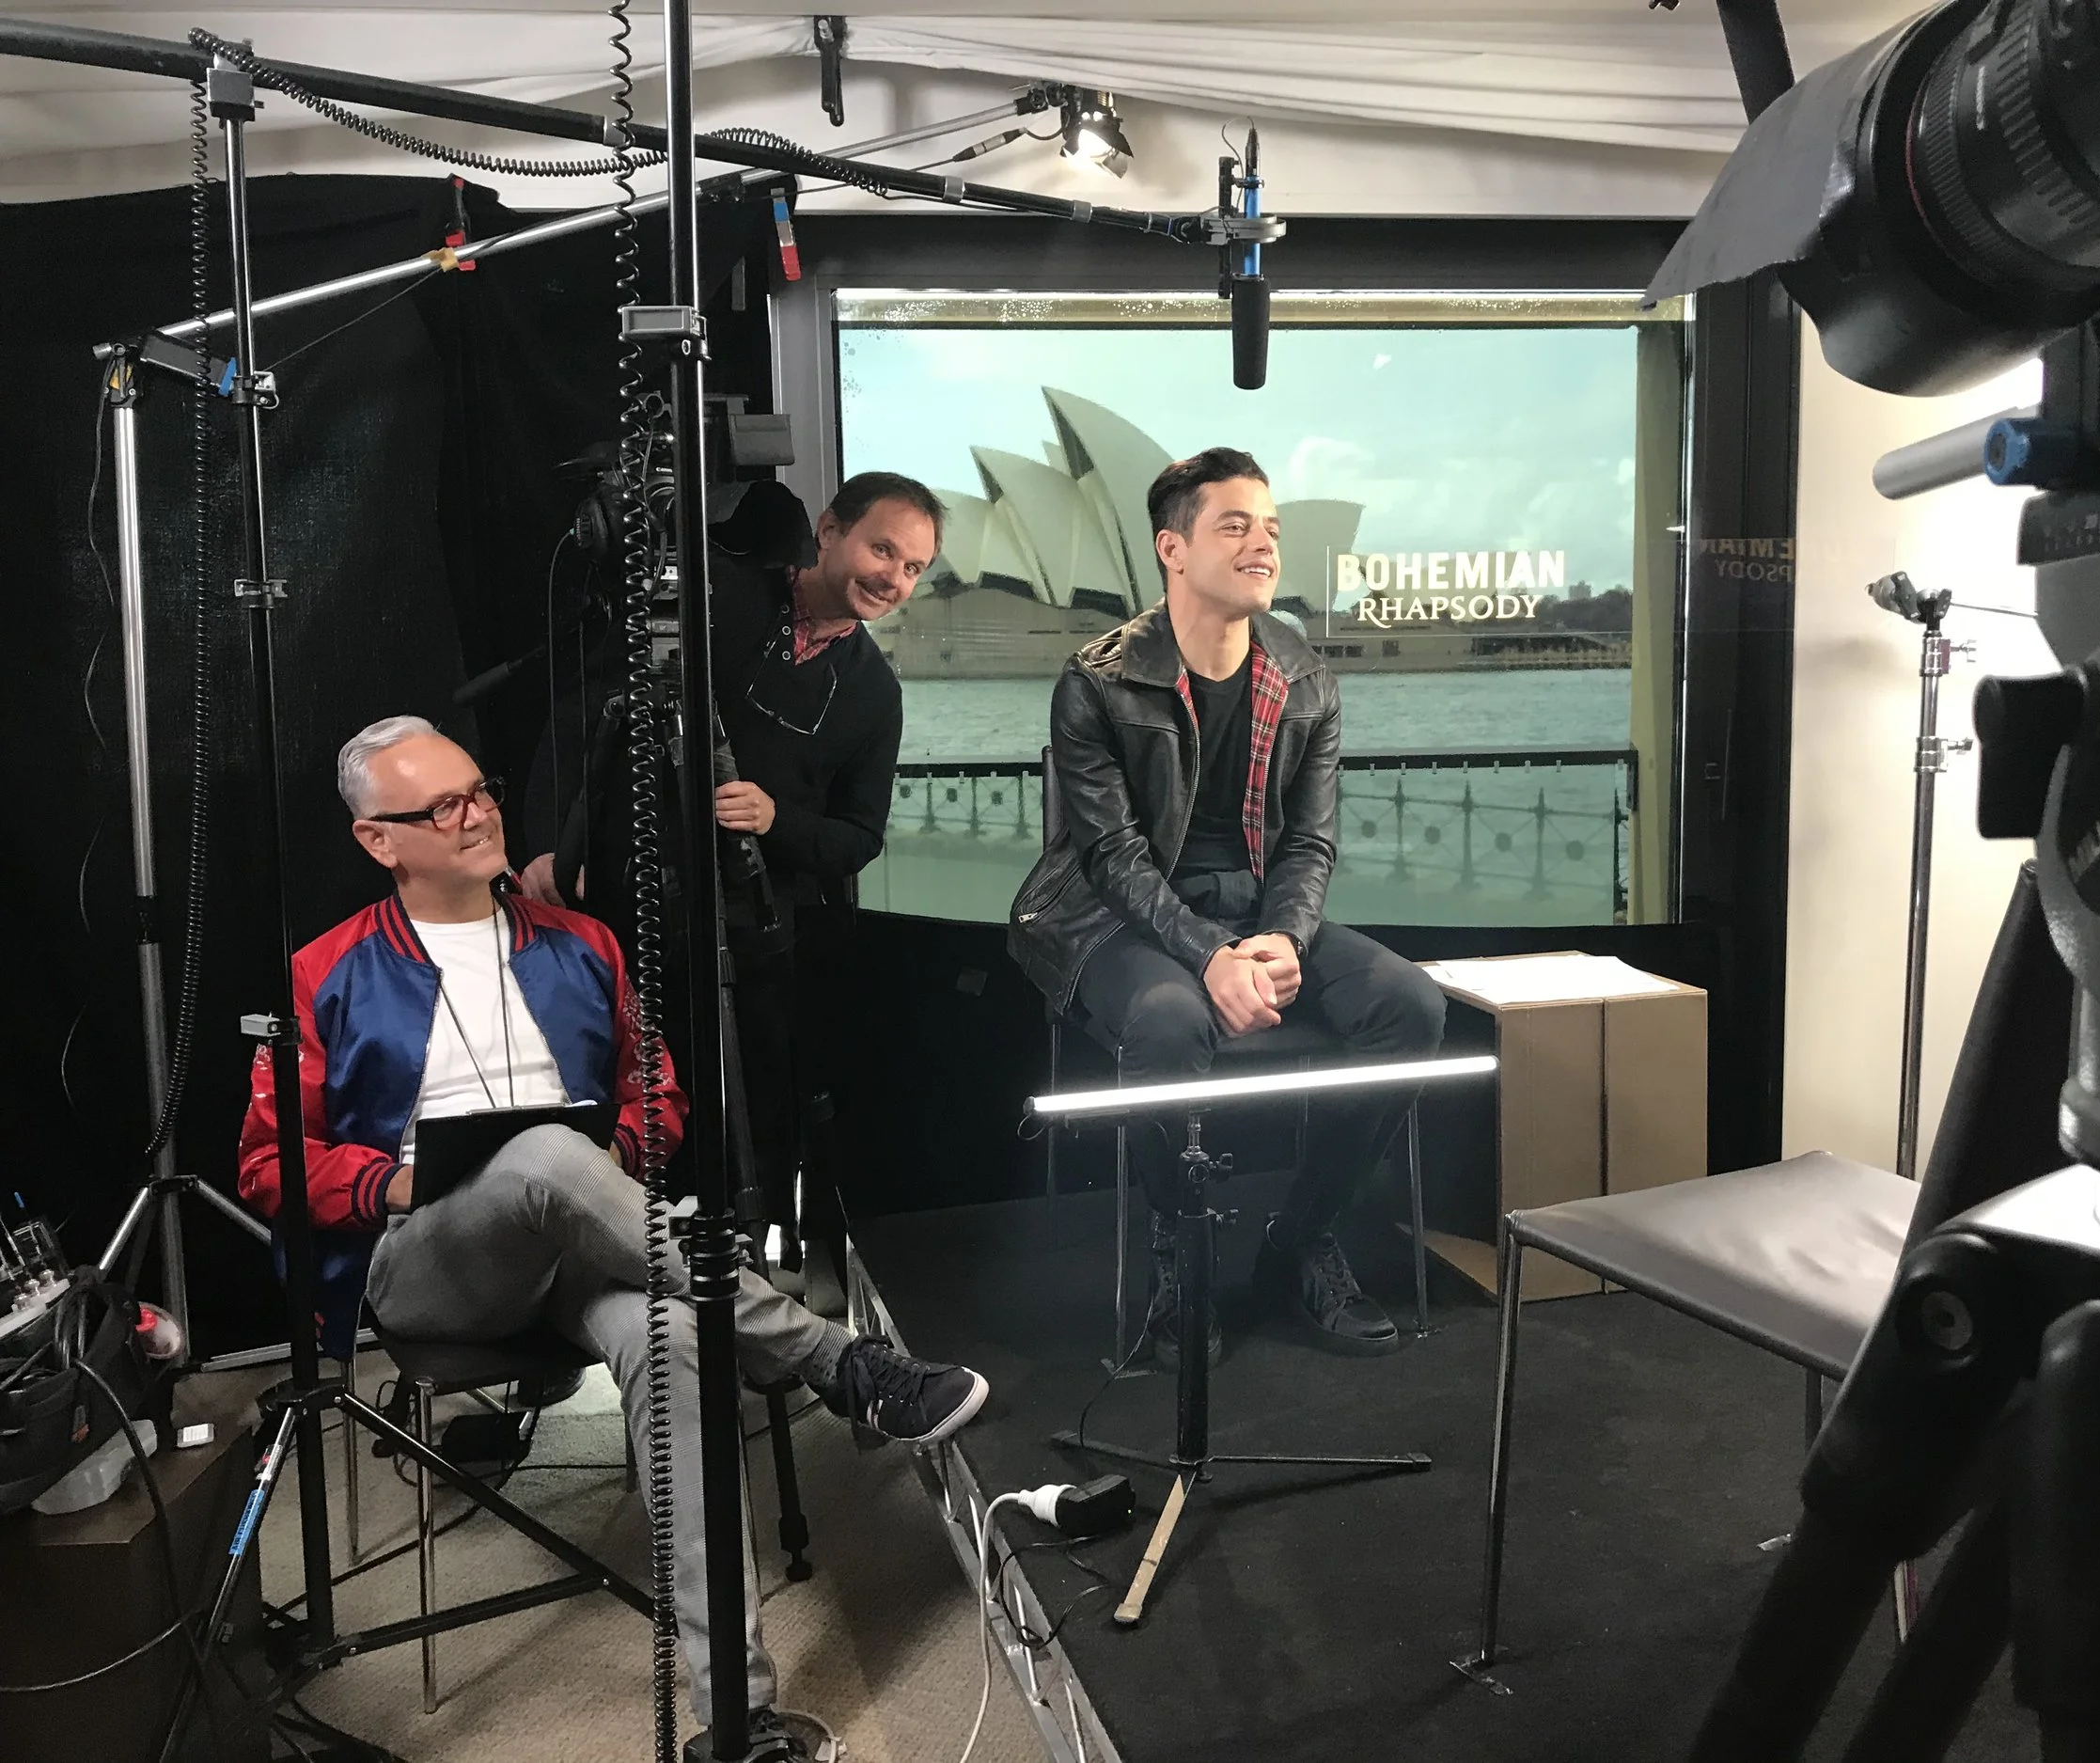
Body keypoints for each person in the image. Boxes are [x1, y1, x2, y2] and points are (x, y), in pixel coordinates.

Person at [241, 715, 985, 1747]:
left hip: (589, 1238)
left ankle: (739, 1717)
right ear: (380, 840)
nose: (478, 815)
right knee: (544, 1155)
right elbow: (269, 1162)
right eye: (443, 807)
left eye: (481, 790)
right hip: (432, 1260)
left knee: (674, 1337)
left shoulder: (582, 945)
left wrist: (622, 1155)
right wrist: (399, 1183)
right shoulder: (324, 972)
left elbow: (659, 1096)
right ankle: (827, 1356)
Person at [1008, 449, 1447, 1369]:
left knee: (1409, 1006)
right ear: (1173, 547)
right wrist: (1212, 956)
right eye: (1235, 526)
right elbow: (1112, 854)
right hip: (1109, 915)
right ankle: (1182, 1257)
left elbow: (1308, 845)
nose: (1263, 545)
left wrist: (1283, 939)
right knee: (1168, 1022)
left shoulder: (1306, 678)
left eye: (1272, 528)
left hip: (1254, 908)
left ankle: (1297, 1244)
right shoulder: (1096, 680)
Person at [520, 472, 941, 1292]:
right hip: (625, 900)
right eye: (883, 547)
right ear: (827, 531)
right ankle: (606, 1269)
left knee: (753, 1114)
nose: (894, 577)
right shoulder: (718, 596)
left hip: (755, 938)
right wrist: (549, 845)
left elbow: (858, 837)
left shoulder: (873, 693)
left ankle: (739, 1282)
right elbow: (584, 709)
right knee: (618, 1088)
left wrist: (774, 818)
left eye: (916, 567)